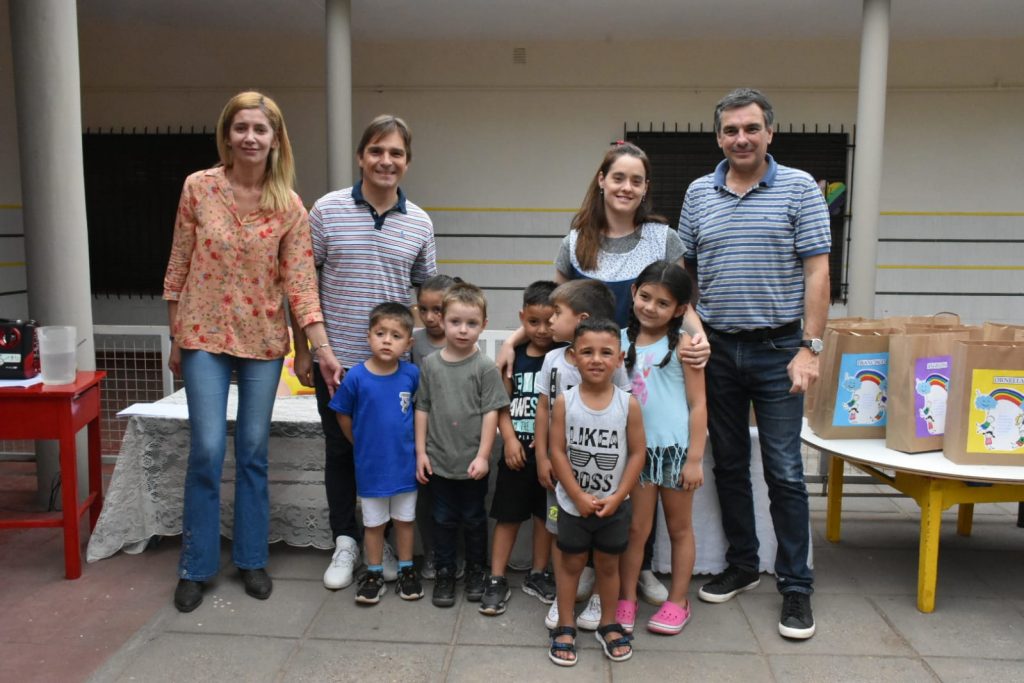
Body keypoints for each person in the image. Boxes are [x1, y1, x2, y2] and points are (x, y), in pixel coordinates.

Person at [496, 142, 711, 606]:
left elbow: (678, 302)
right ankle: (592, 573)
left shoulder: (664, 239)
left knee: (633, 480)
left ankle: (640, 570)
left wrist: (699, 337)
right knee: (594, 468)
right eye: (618, 178)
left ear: (646, 188)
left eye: (636, 180)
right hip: (587, 371)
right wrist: (513, 341)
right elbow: (556, 307)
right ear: (601, 180)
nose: (626, 187)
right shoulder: (576, 240)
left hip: (634, 367)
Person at [164, 91, 341, 613]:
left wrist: (318, 348)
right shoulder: (199, 187)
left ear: (275, 138)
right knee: (207, 449)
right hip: (202, 335)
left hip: (263, 339)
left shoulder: (288, 205)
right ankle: (196, 566)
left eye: (260, 129)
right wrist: (176, 335)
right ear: (227, 134)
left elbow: (301, 285)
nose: (249, 137)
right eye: (240, 127)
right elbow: (179, 261)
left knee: (256, 450)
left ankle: (250, 559)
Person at [679, 88, 831, 640]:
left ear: (770, 132)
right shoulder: (698, 192)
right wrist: (691, 329)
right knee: (728, 463)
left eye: (750, 128)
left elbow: (818, 274)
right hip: (716, 350)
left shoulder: (798, 190)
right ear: (718, 137)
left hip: (777, 352)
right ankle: (743, 564)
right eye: (729, 130)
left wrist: (809, 349)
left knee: (786, 470)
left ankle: (796, 585)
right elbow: (686, 276)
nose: (740, 138)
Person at [291, 115, 437, 591]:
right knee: (341, 453)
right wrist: (308, 350)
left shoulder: (420, 223)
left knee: (395, 454)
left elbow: (426, 296)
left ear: (408, 162)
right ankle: (346, 541)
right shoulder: (326, 211)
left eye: (396, 153)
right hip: (341, 364)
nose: (386, 161)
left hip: (396, 371)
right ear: (360, 156)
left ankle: (393, 542)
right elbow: (302, 285)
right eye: (377, 150)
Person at [547, 318, 646, 667]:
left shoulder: (627, 403)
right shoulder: (565, 402)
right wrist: (575, 494)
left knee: (608, 564)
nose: (596, 359)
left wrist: (619, 496)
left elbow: (637, 452)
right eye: (587, 351)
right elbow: (557, 450)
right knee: (571, 563)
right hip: (573, 506)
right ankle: (565, 623)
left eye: (606, 352)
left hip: (613, 506)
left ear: (619, 358)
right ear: (574, 357)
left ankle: (609, 622)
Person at [534, 279, 631, 633]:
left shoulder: (611, 363)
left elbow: (625, 416)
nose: (549, 320)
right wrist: (544, 457)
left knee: (604, 544)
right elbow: (543, 409)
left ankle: (597, 599)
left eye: (557, 313)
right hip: (561, 474)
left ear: (582, 318)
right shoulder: (551, 360)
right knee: (563, 533)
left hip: (605, 475)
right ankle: (565, 601)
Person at [617, 261, 707, 636]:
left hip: (672, 453)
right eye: (645, 296)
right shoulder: (617, 341)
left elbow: (699, 404)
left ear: (681, 309)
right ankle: (625, 597)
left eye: (663, 302)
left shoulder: (686, 346)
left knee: (679, 528)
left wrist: (695, 459)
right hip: (634, 454)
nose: (650, 307)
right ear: (634, 291)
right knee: (636, 530)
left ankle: (678, 600)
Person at [415, 283, 510, 608]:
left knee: (473, 519)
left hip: (472, 464)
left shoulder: (485, 368)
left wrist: (484, 456)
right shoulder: (430, 364)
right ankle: (444, 571)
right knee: (441, 519)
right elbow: (422, 407)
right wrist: (420, 453)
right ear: (442, 321)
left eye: (471, 323)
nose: (463, 330)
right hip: (439, 461)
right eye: (456, 321)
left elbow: (491, 413)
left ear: (483, 325)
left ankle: (475, 570)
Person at [329, 302, 422, 605]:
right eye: (380, 333)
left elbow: (422, 412)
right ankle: (374, 573)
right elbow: (342, 412)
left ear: (408, 343)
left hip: (405, 467)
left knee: (405, 521)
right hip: (370, 468)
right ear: (368, 336)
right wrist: (357, 441)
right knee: (373, 524)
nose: (386, 340)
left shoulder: (411, 374)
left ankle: (407, 570)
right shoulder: (356, 377)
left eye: (396, 335)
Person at [479, 280, 560, 616]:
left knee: (546, 518)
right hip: (516, 456)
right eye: (533, 322)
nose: (541, 330)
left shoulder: (564, 355)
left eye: (548, 321)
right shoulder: (513, 358)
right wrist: (509, 438)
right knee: (509, 517)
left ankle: (538, 574)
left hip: (552, 458)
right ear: (522, 317)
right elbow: (501, 402)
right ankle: (497, 577)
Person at [410, 273, 458, 581]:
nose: (429, 317)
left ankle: (458, 555)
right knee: (426, 501)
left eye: (438, 309)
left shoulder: (462, 340)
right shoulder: (414, 342)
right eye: (423, 309)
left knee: (458, 500)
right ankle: (431, 553)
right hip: (423, 433)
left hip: (456, 435)